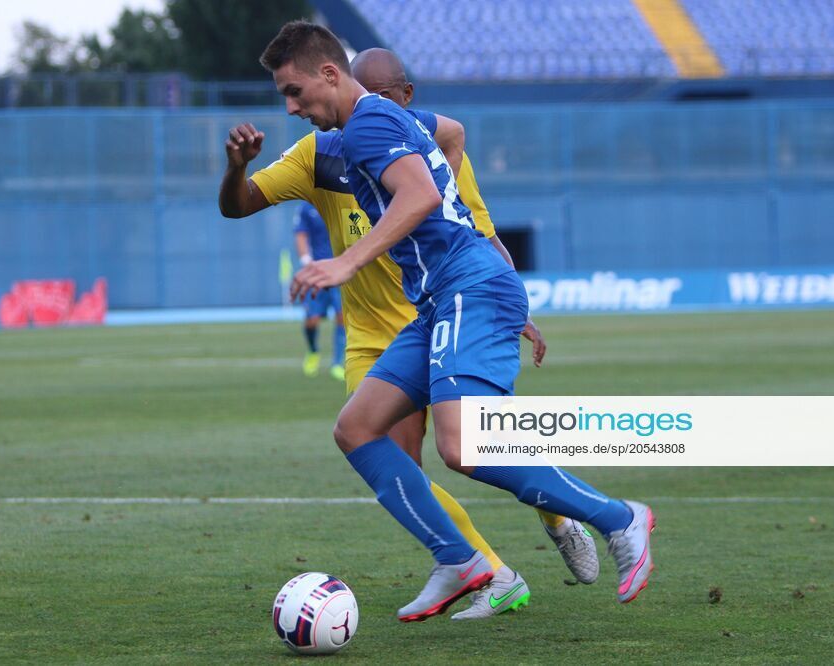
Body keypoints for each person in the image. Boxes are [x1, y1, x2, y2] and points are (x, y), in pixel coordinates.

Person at [257, 20, 655, 622]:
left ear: (330, 75)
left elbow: (416, 198)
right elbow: (453, 132)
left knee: (464, 445)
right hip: (441, 298)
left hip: (468, 288)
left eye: (294, 93)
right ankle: (459, 558)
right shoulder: (379, 125)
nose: (290, 107)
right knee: (356, 429)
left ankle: (620, 519)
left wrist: (346, 262)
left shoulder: (368, 123)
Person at [294, 202, 347, 380]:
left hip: (340, 271)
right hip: (316, 272)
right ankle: (313, 351)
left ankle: (338, 363)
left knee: (342, 317)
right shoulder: (306, 207)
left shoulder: (340, 199)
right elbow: (300, 235)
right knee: (312, 320)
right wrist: (306, 261)